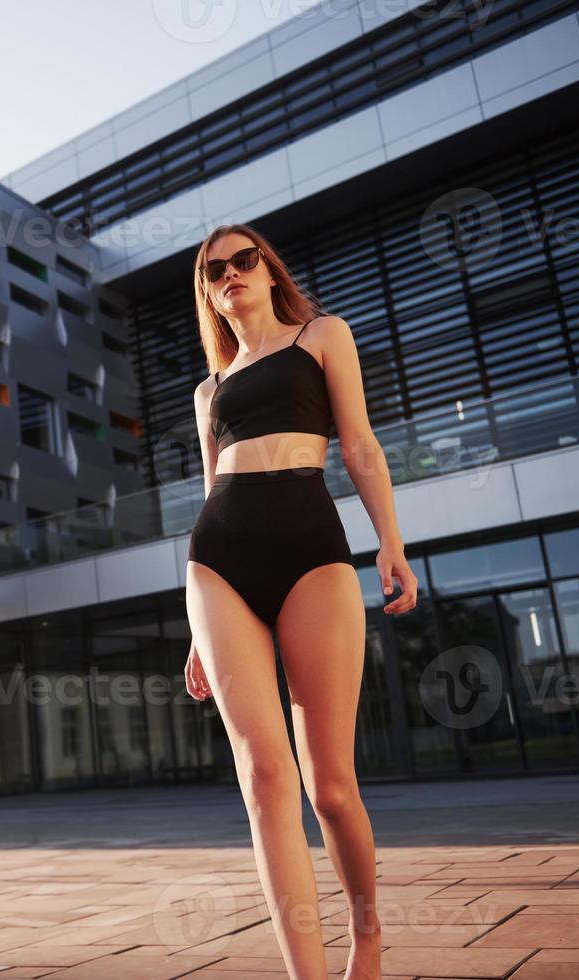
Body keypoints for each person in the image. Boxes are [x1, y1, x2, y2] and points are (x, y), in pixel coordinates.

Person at [184, 223, 418, 980]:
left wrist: (390, 541)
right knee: (262, 778)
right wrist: (198, 636)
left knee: (331, 787)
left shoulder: (321, 335)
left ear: (268, 268)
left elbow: (358, 445)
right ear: (209, 295)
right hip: (216, 564)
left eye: (242, 260)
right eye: (213, 270)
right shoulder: (207, 390)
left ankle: (368, 934)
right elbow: (211, 487)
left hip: (310, 551)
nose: (229, 275)